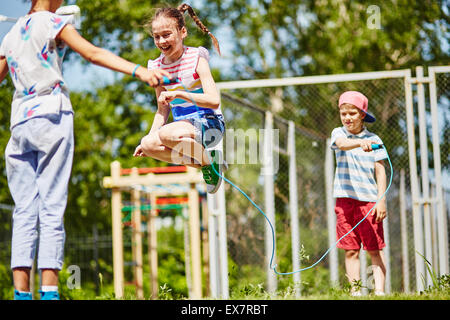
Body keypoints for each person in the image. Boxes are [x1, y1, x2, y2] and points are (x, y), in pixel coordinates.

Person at [0, 0, 170, 300]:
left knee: (24, 211)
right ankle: (50, 293)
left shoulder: (11, 34)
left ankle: (21, 295)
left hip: (20, 124)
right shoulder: (51, 22)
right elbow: (92, 53)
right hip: (51, 115)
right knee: (51, 206)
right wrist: (139, 71)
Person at [133, 4, 226, 194]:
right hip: (183, 128)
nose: (161, 41)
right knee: (148, 143)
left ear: (182, 32)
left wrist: (180, 94)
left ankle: (209, 162)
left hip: (209, 123)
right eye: (156, 36)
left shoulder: (196, 58)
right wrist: (149, 139)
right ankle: (208, 165)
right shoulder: (156, 67)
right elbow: (162, 110)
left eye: (167, 34)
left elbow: (214, 100)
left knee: (167, 134)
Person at [330, 91, 388, 296]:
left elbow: (380, 170)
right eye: (343, 113)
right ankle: (355, 292)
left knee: (373, 250)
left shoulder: (374, 139)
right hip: (344, 202)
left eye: (352, 113)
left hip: (369, 202)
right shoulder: (338, 133)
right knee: (351, 249)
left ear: (362, 114)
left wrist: (381, 200)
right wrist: (358, 143)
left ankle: (379, 291)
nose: (347, 118)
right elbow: (341, 145)